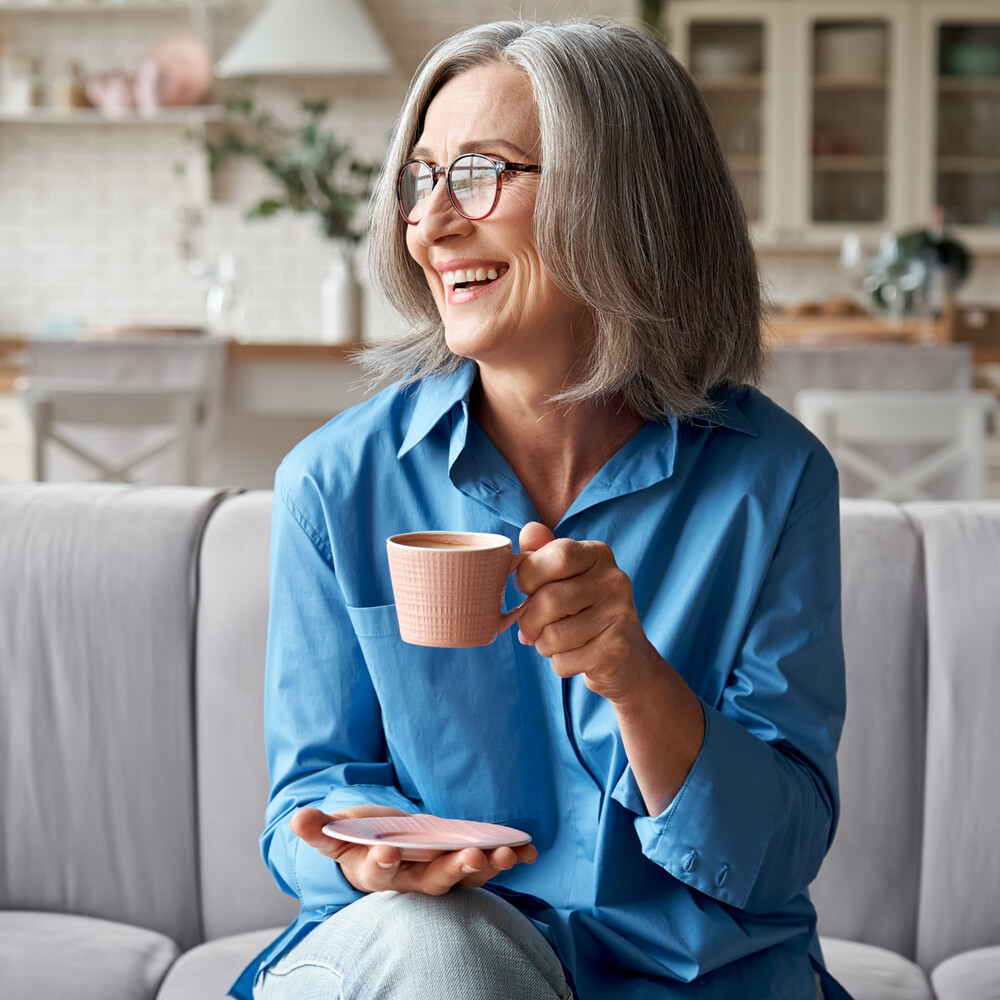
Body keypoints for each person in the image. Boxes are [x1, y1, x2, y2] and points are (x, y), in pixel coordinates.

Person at [230, 17, 850, 1000]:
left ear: (622, 198)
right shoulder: (336, 482)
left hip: (691, 980)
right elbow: (306, 797)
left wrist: (634, 677)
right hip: (426, 958)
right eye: (419, 178)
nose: (431, 224)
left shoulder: (771, 483)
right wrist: (363, 855)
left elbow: (772, 856)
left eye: (478, 172)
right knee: (444, 954)